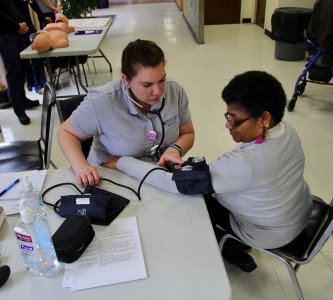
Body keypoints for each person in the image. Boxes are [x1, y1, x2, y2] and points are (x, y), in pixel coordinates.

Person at [106, 71, 313, 273]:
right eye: (227, 116)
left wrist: (123, 162)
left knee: (190, 202)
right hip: (300, 212)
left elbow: (176, 184)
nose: (228, 125)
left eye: (235, 120)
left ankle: (229, 247)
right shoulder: (287, 130)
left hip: (268, 233)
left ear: (264, 118)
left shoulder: (245, 164)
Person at [57, 39, 195, 187]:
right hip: (112, 178)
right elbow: (65, 133)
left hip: (159, 177)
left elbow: (188, 133)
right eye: (147, 85)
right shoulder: (101, 102)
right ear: (126, 79)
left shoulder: (175, 91)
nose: (158, 91)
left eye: (162, 80)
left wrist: (175, 149)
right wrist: (81, 166)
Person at [0, 0, 40, 125]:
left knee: (23, 67)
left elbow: (13, 6)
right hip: (4, 34)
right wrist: (17, 26)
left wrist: (22, 23)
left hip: (16, 32)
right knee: (14, 72)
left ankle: (23, 100)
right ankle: (19, 110)